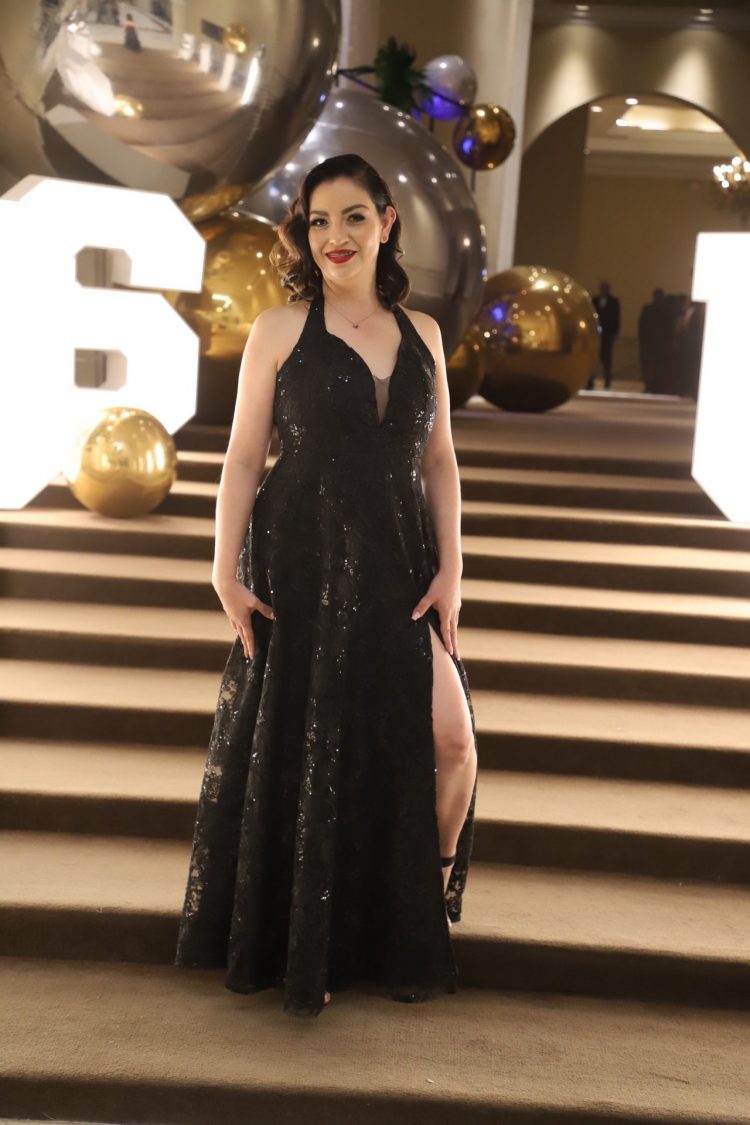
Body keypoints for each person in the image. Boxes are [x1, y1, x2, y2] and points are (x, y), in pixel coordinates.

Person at [174, 152, 479, 1018]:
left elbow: (439, 461)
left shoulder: (423, 334)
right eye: (317, 220)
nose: (334, 236)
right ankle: (316, 939)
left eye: (352, 217)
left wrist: (452, 567)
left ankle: (419, 895)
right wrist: (223, 566)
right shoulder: (279, 328)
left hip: (399, 562)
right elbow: (243, 458)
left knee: (453, 741)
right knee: (314, 751)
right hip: (300, 557)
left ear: (387, 222)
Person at [587, 280, 621, 389]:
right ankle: (590, 381)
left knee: (607, 358)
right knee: (593, 357)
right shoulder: (594, 300)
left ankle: (607, 379)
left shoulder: (614, 301)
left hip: (608, 333)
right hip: (596, 333)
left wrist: (615, 332)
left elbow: (617, 317)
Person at [638, 287, 664, 393]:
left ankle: (650, 384)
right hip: (656, 343)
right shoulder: (665, 310)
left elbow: (642, 325)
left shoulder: (648, 309)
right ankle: (652, 384)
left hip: (650, 342)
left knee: (648, 365)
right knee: (653, 365)